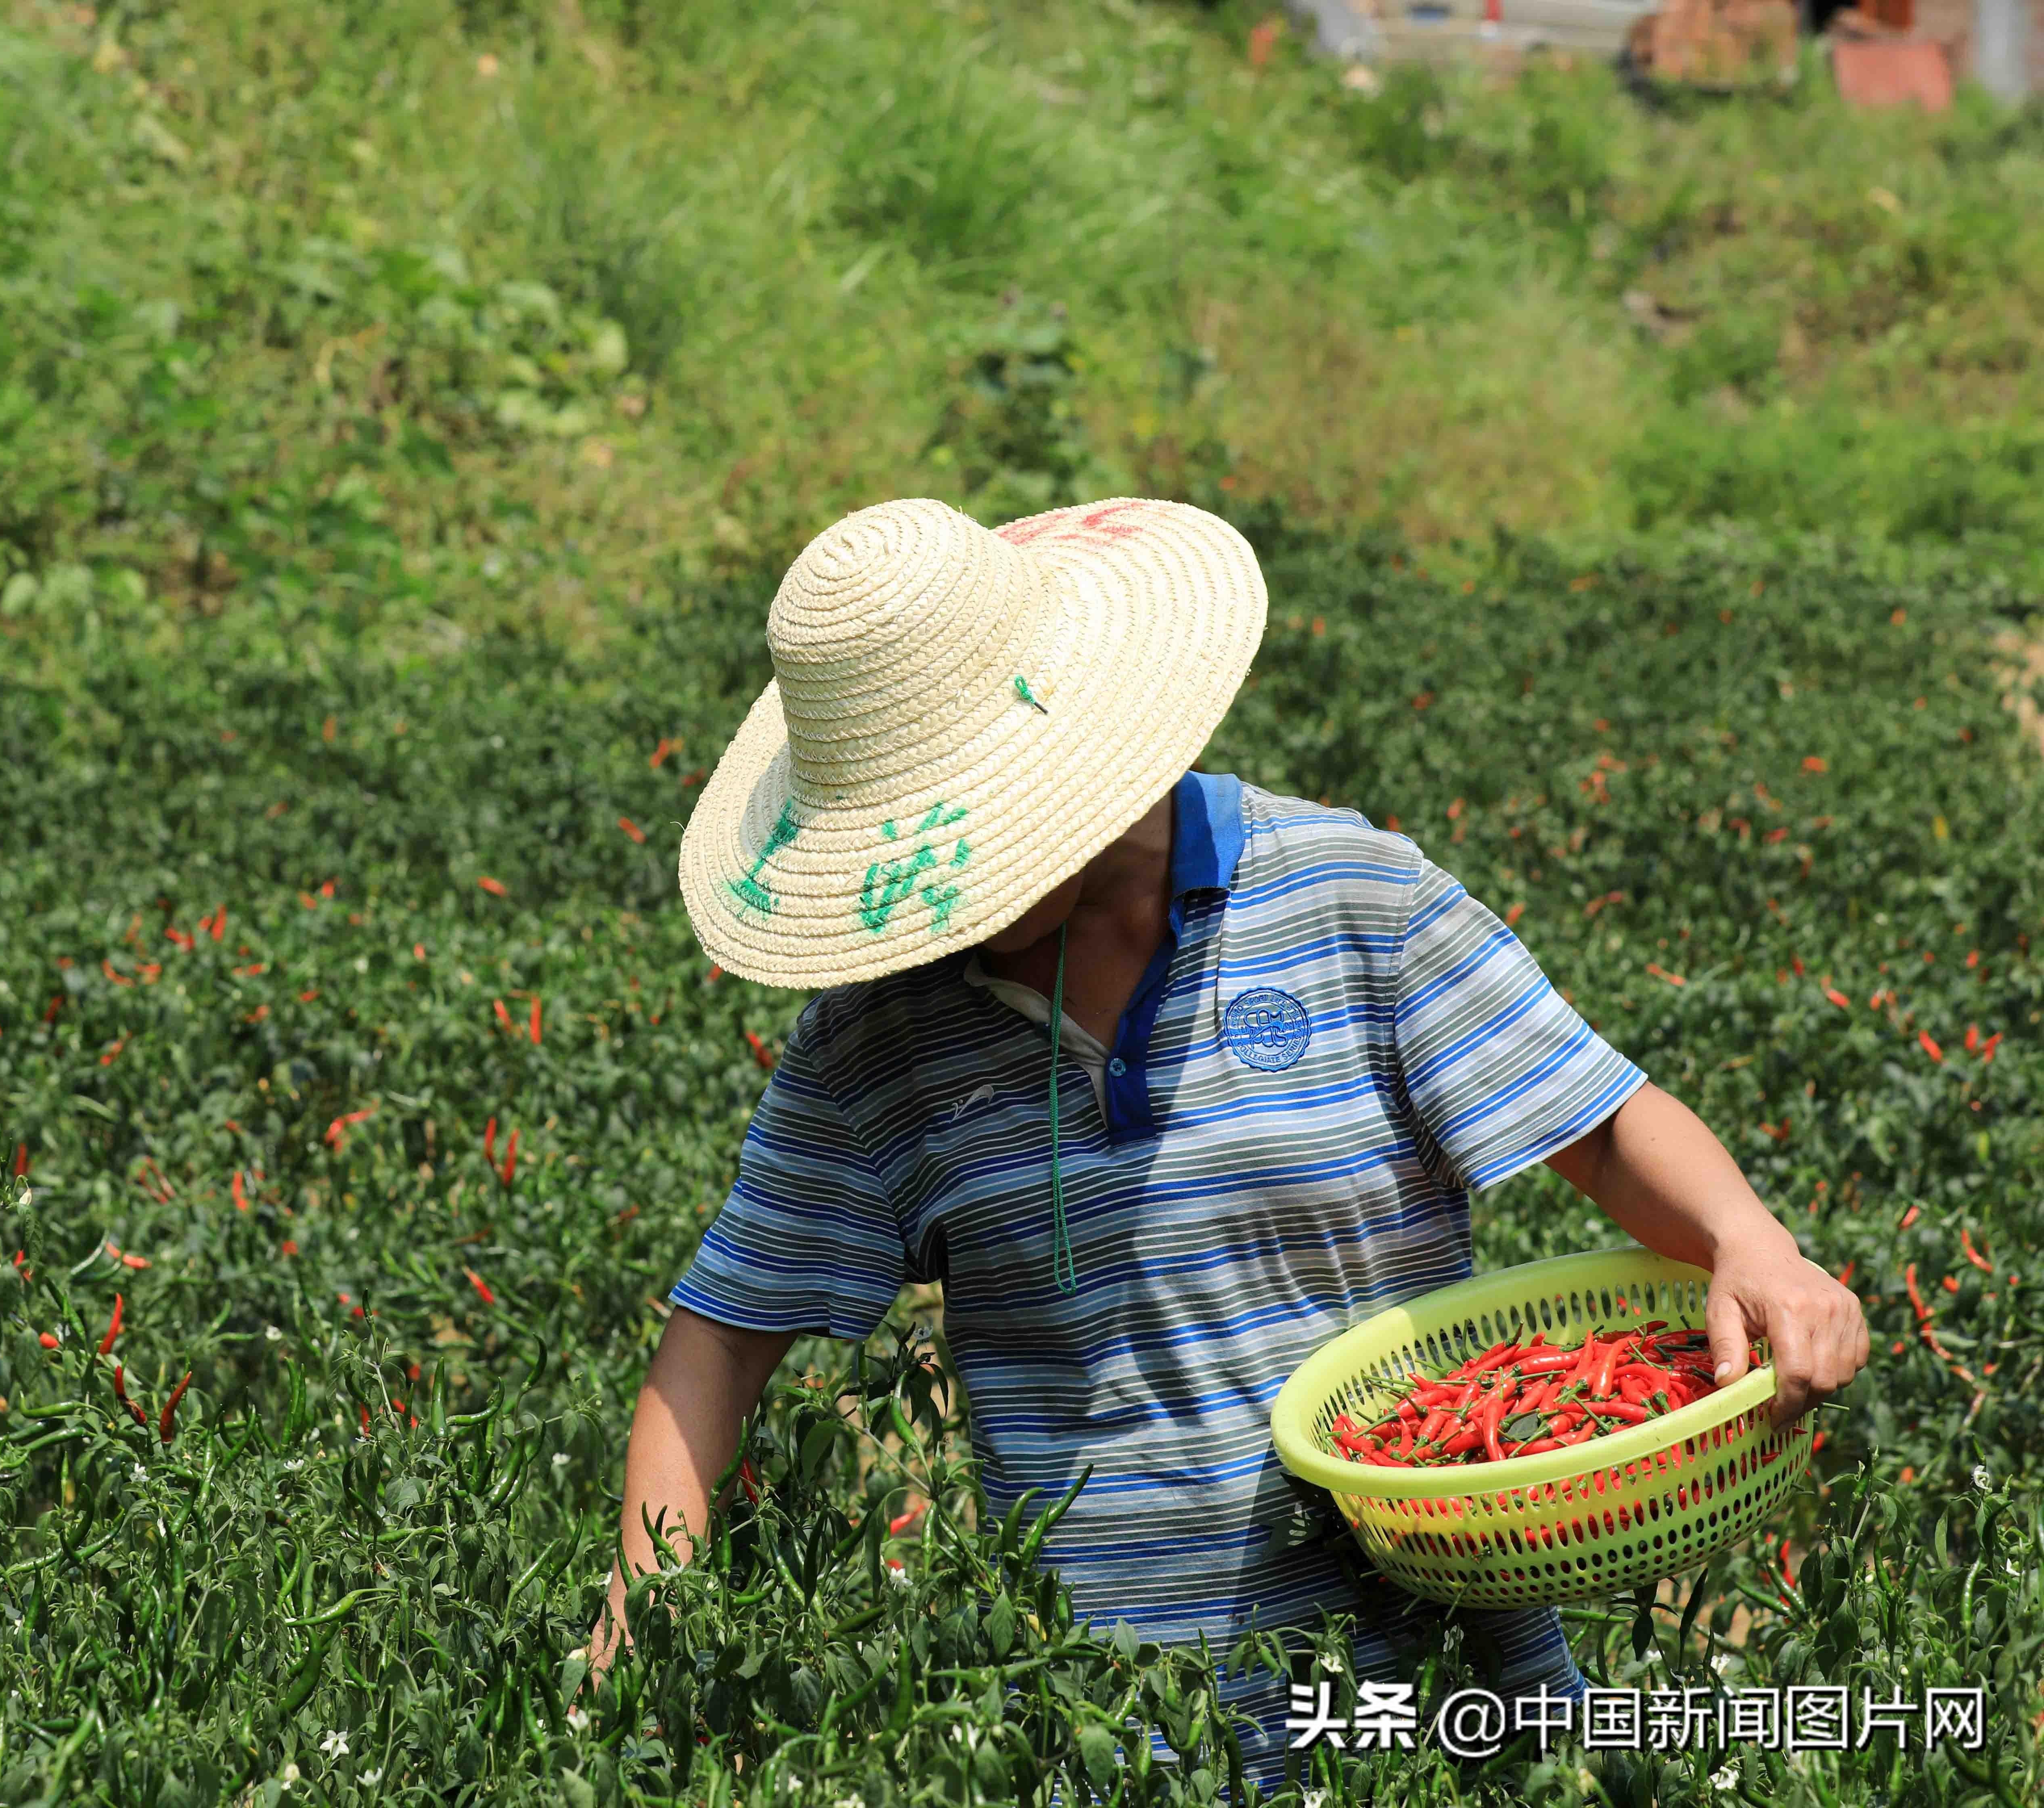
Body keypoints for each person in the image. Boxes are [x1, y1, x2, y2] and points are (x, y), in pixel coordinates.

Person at [586, 495, 1870, 1789]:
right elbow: (720, 1337)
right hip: (1109, 1718)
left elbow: (1593, 1126)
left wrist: (1746, 1240)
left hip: (1448, 1677)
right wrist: (644, 1625)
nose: (937, 908)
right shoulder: (881, 1034)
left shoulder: (1344, 894)